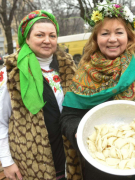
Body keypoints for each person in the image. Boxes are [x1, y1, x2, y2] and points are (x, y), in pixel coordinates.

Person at [60, 2, 135, 180]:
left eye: (119, 32)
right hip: (103, 165)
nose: (112, 39)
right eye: (105, 33)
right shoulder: (84, 73)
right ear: (96, 38)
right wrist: (78, 130)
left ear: (129, 37)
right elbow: (68, 116)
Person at [0, 10, 81, 180]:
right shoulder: (11, 73)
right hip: (30, 164)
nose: (47, 40)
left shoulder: (69, 69)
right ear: (27, 39)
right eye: (40, 35)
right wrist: (7, 162)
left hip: (69, 161)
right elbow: (1, 122)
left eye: (52, 35)